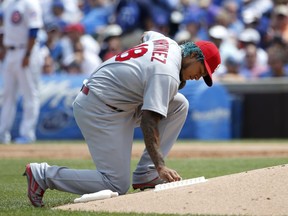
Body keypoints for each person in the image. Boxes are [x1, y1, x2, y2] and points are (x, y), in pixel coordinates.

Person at [23, 31, 221, 207]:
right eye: (201, 71)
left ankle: (146, 173)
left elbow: (147, 35)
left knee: (180, 104)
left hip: (117, 103)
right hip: (99, 109)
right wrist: (161, 165)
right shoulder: (166, 72)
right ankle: (43, 175)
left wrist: (136, 67)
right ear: (193, 55)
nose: (198, 77)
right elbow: (148, 122)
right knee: (115, 184)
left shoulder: (167, 42)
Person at [0, 0, 43, 144]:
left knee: (29, 94)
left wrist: (28, 54)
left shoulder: (30, 3)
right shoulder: (8, 4)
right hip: (10, 52)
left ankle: (27, 133)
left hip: (26, 51)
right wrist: (3, 49)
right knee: (7, 95)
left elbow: (34, 30)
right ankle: (2, 133)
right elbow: (4, 29)